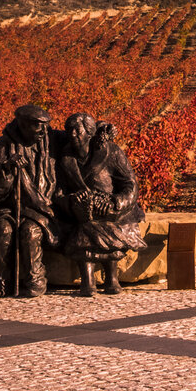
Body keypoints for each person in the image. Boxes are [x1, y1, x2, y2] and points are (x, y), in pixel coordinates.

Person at [0, 104, 59, 297]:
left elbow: (78, 140)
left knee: (30, 232)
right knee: (3, 230)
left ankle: (35, 277)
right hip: (5, 209)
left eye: (46, 126)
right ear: (22, 124)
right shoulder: (1, 147)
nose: (43, 131)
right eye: (38, 126)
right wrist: (7, 170)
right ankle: (2, 278)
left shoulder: (50, 142)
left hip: (41, 209)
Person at [54, 112, 146, 296]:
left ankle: (111, 277)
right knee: (84, 229)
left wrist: (117, 202)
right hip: (83, 214)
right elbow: (59, 192)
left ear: (89, 133)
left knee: (107, 229)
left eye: (77, 130)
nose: (72, 134)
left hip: (115, 210)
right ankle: (88, 280)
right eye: (69, 130)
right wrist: (72, 203)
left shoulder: (111, 152)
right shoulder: (65, 160)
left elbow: (130, 183)